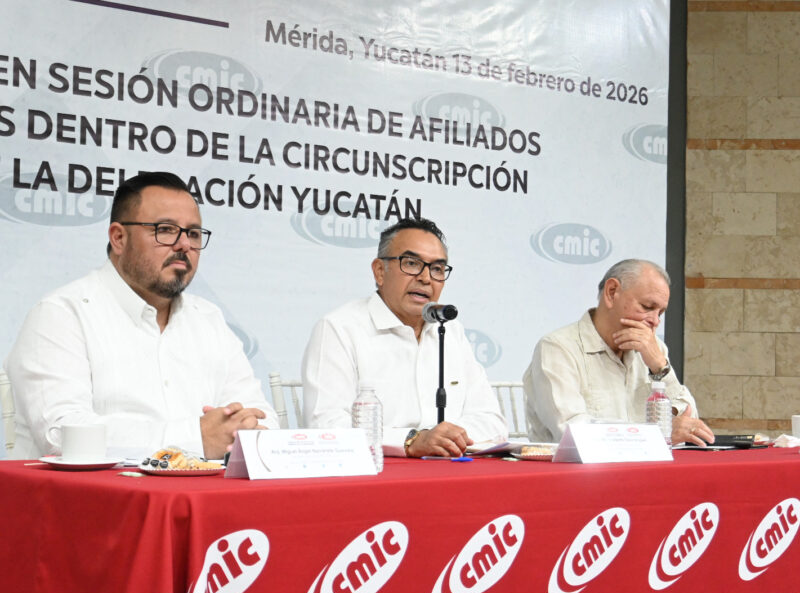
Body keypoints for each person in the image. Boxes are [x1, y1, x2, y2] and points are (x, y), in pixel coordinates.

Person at [4, 172, 278, 459]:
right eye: (166, 230)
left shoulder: (208, 318)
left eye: (194, 234)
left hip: (199, 488)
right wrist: (195, 438)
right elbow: (63, 433)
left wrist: (240, 430)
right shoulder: (62, 314)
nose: (184, 245)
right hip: (89, 489)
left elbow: (262, 416)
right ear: (119, 238)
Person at [301, 217, 507, 457]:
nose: (426, 278)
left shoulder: (450, 331)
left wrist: (448, 439)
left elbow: (492, 421)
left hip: (449, 469)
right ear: (380, 271)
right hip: (377, 471)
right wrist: (410, 441)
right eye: (411, 263)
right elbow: (325, 424)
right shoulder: (340, 328)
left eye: (437, 269)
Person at [524, 258, 714, 446]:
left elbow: (691, 423)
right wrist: (656, 435)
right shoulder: (558, 348)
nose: (655, 321)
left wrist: (660, 368)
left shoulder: (654, 349)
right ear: (612, 292)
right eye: (647, 307)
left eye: (660, 313)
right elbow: (572, 433)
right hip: (578, 466)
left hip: (647, 464)